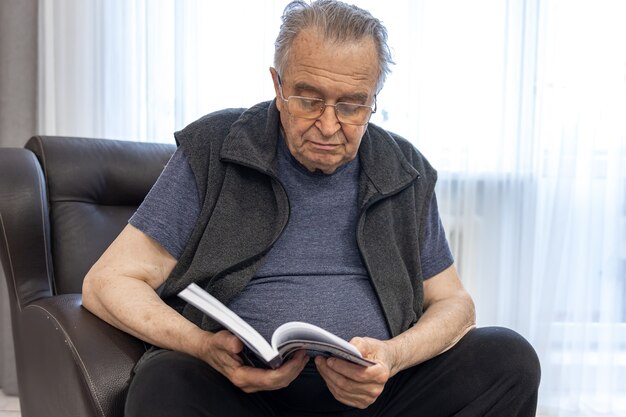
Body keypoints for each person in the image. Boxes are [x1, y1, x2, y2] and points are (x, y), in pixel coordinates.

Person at [82, 1, 541, 416]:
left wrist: (393, 356)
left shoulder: (403, 168)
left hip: (377, 398)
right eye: (308, 98)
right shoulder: (214, 148)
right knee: (165, 383)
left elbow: (454, 303)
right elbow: (107, 282)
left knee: (507, 357)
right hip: (243, 395)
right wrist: (203, 346)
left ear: (372, 102)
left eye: (351, 106)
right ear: (277, 86)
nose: (328, 124)